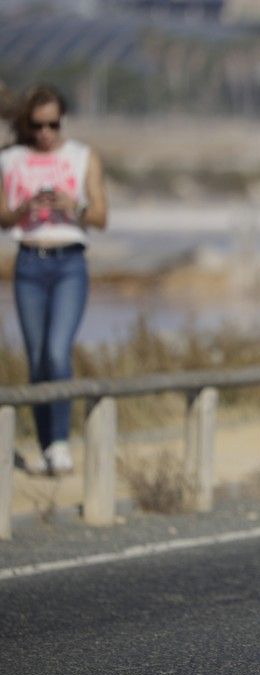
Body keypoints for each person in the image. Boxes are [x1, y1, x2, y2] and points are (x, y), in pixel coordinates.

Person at [0, 85, 107, 475]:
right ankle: (46, 444)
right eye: (38, 125)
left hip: (69, 264)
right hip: (29, 261)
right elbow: (2, 217)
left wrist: (72, 206)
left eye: (53, 125)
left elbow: (101, 216)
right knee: (37, 359)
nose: (46, 133)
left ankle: (60, 441)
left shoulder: (82, 157)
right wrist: (25, 207)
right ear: (28, 124)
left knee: (58, 352)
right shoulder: (11, 159)